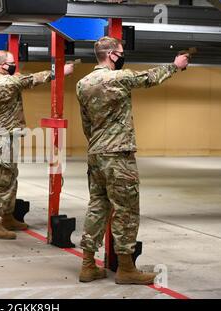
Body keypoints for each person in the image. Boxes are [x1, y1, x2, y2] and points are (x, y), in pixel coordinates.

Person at [76, 36, 189, 284]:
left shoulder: (82, 83)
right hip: (118, 155)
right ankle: (126, 269)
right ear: (111, 54)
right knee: (126, 211)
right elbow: (149, 78)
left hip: (96, 153)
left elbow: (86, 123)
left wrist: (98, 143)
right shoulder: (119, 77)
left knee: (97, 206)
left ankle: (87, 264)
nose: (122, 55)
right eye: (120, 51)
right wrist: (175, 65)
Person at [0, 50, 74, 240]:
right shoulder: (6, 82)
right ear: (1, 66)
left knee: (9, 176)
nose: (15, 65)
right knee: (2, 181)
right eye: (12, 62)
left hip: (1, 135)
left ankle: (7, 217)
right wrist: (60, 72)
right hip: (4, 138)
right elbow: (32, 79)